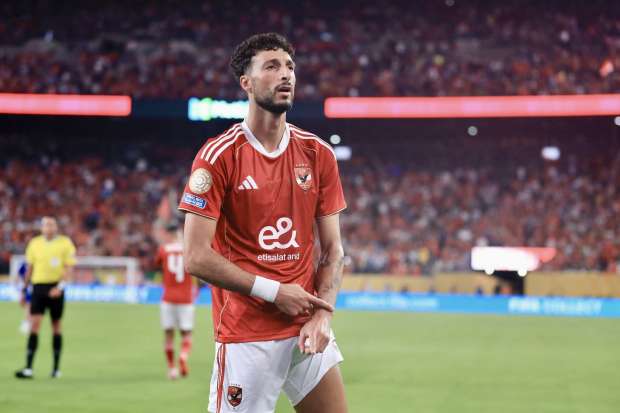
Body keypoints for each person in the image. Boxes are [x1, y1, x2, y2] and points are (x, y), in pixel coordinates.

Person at [179, 33, 348, 413]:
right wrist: (275, 292)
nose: (285, 74)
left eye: (289, 67)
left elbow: (333, 249)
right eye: (271, 66)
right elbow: (195, 257)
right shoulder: (218, 156)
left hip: (305, 329)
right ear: (247, 82)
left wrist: (323, 314)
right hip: (247, 335)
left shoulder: (318, 153)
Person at [15, 216, 76, 379]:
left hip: (56, 287)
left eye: (52, 225)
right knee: (34, 325)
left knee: (56, 325)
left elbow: (69, 268)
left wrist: (60, 287)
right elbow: (30, 268)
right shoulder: (35, 244)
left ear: (56, 227)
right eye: (46, 225)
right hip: (38, 288)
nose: (49, 228)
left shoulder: (65, 243)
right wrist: (24, 290)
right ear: (42, 228)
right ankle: (29, 368)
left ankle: (56, 369)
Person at [154, 222, 197, 380]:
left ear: (168, 234)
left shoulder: (163, 249)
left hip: (168, 297)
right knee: (187, 333)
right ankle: (183, 356)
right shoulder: (188, 249)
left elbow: (157, 264)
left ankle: (172, 369)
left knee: (168, 334)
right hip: (186, 298)